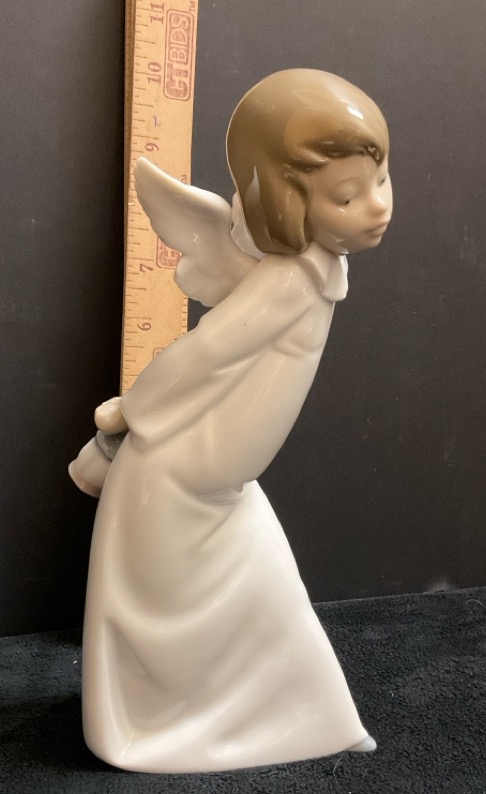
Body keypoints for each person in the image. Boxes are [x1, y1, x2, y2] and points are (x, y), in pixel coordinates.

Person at [71, 69, 392, 773]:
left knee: (259, 574)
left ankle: (302, 710)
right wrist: (135, 408)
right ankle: (177, 714)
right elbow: (204, 352)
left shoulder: (308, 267)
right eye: (346, 196)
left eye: (381, 180)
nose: (377, 207)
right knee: (213, 582)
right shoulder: (289, 280)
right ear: (283, 198)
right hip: (195, 465)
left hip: (220, 471)